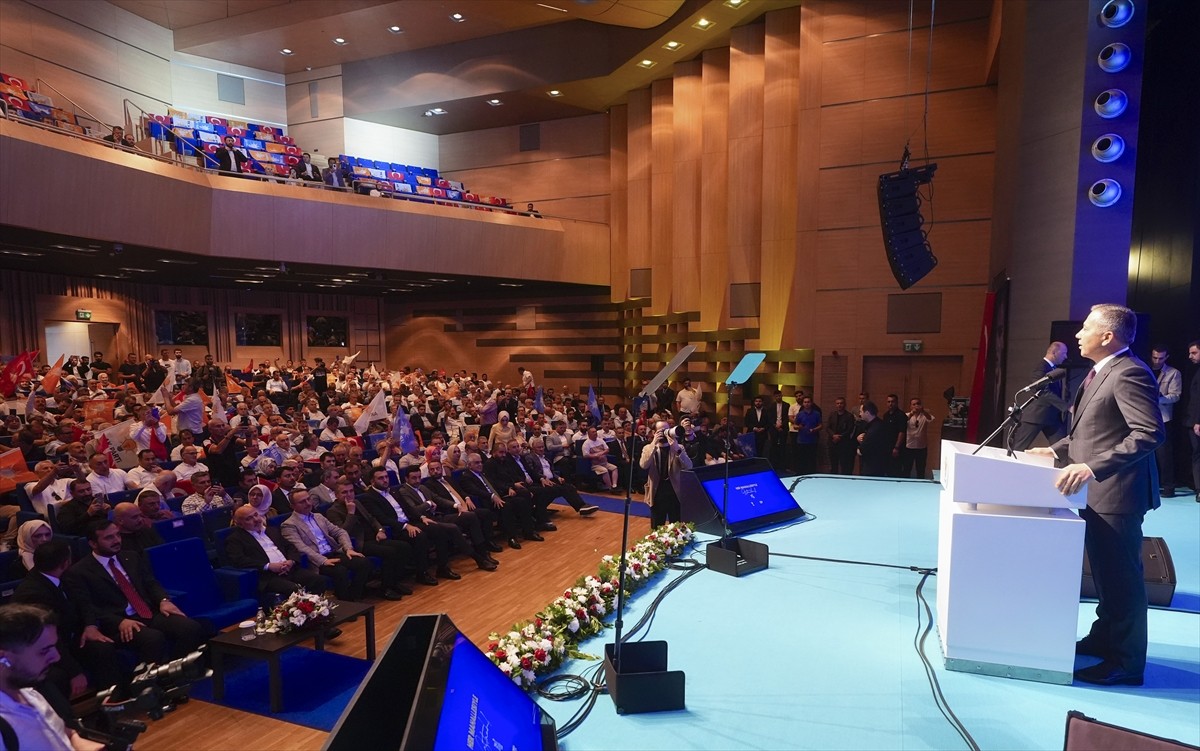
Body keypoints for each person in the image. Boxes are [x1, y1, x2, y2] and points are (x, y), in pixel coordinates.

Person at [1027, 304, 1163, 686]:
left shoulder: (1130, 372)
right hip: (1097, 494)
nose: (1078, 334)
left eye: (1085, 328)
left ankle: (1127, 661)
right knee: (1105, 573)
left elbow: (1149, 433)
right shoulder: (1100, 371)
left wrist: (1091, 467)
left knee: (1122, 579)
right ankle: (1105, 639)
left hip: (1118, 494)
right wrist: (1055, 449)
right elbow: (1092, 432)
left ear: (1107, 336)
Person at [63, 520, 208, 666]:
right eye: (109, 538)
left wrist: (163, 600)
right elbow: (86, 607)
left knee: (190, 627)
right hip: (117, 621)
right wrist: (118, 621)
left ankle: (175, 670)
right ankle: (146, 678)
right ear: (93, 543)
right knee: (153, 638)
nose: (117, 540)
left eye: (118, 535)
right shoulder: (79, 572)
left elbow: (150, 583)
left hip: (147, 612)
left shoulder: (131, 556)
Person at [0, 604, 106, 751]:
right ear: (2, 657)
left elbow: (63, 733)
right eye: (44, 651)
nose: (56, 657)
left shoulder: (32, 695)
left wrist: (79, 742)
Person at [280, 488, 373, 601]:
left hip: (333, 552)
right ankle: (346, 601)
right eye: (302, 502)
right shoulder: (289, 525)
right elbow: (301, 548)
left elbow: (340, 532)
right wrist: (323, 560)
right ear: (292, 506)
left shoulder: (318, 516)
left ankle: (355, 597)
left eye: (308, 499)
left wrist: (348, 548)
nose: (308, 503)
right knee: (340, 571)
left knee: (363, 562)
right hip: (316, 561)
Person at [224, 505, 329, 599]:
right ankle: (302, 612)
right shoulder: (235, 539)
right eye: (249, 519)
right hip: (268, 576)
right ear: (240, 524)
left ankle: (317, 610)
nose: (256, 520)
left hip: (289, 569)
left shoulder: (272, 530)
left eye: (255, 515)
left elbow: (290, 547)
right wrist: (268, 566)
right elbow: (239, 560)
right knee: (293, 589)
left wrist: (291, 561)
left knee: (318, 580)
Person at [1011, 341, 1071, 451]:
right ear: (1054, 353)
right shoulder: (1041, 367)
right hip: (1036, 416)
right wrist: (1066, 406)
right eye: (1064, 353)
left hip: (1052, 417)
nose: (1065, 357)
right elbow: (1041, 391)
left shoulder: (1054, 369)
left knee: (1062, 449)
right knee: (1018, 448)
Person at [640, 420, 692, 528]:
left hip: (675, 492)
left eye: (666, 430)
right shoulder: (648, 448)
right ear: (654, 433)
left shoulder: (679, 447)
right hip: (656, 492)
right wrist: (653, 444)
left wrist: (677, 449)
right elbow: (644, 465)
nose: (665, 433)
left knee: (677, 528)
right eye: (661, 431)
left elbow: (689, 466)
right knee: (656, 527)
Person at [1149, 346, 1182, 497]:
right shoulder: (1145, 370)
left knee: (1164, 455)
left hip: (1163, 418)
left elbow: (1176, 396)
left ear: (1166, 357)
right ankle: (1151, 486)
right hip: (1146, 417)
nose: (1157, 361)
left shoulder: (1173, 373)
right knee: (1147, 455)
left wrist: (1159, 399)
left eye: (1160, 358)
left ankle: (1168, 487)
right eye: (1155, 357)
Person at [900, 398, 935, 479]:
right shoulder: (906, 415)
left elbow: (930, 419)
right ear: (910, 406)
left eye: (918, 404)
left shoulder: (924, 415)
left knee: (921, 469)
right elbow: (902, 422)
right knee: (907, 469)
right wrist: (912, 414)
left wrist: (923, 411)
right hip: (909, 446)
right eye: (914, 404)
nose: (916, 406)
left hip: (921, 447)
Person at [855, 402, 890, 477]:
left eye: (861, 412)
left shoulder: (874, 429)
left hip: (873, 468)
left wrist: (858, 448)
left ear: (867, 413)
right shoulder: (878, 424)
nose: (860, 414)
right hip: (877, 465)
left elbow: (862, 450)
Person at [825, 397, 857, 475]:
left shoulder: (849, 416)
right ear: (836, 405)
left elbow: (850, 429)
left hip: (844, 444)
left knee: (844, 466)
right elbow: (827, 427)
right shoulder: (832, 415)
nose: (839, 405)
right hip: (832, 443)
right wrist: (833, 435)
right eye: (838, 403)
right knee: (833, 466)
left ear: (845, 404)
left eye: (841, 403)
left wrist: (840, 437)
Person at [1186, 340, 1200, 502]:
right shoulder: (1196, 370)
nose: (1190, 356)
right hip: (1193, 420)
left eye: (1194, 353)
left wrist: (1197, 421)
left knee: (1197, 455)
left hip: (1196, 421)